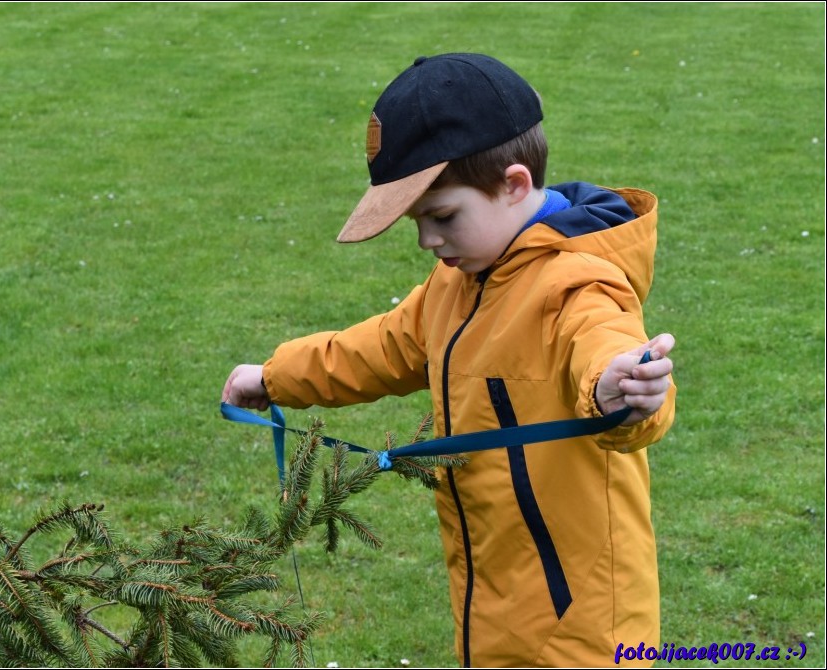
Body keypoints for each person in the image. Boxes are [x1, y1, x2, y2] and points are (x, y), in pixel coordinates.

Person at [221, 52, 676, 667]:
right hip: (489, 592)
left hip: (584, 618)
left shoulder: (581, 284)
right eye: (417, 222)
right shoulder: (456, 285)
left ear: (514, 185)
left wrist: (620, 388)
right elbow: (379, 348)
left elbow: (604, 342)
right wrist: (275, 377)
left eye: (442, 217)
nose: (428, 241)